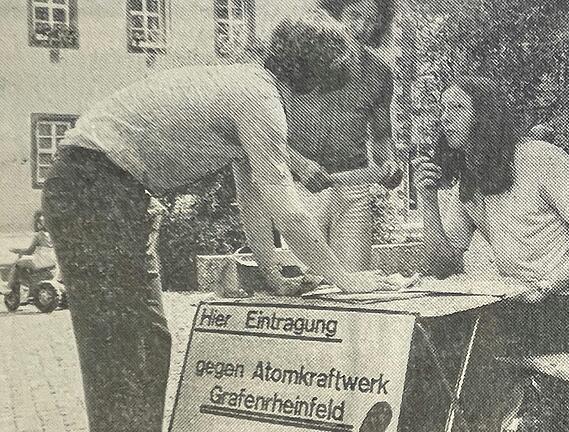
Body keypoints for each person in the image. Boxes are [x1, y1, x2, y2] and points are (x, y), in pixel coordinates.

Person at [42, 11, 390, 432]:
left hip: (107, 189)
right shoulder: (258, 97)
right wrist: (344, 277)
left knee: (146, 344)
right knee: (126, 351)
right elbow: (287, 209)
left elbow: (254, 195)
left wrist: (272, 272)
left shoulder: (245, 85)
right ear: (310, 79)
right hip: (95, 186)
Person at [411, 76, 569, 431]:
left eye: (457, 107)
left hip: (563, 304)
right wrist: (428, 200)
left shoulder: (539, 158)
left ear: (485, 117)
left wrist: (547, 285)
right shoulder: (470, 180)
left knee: (459, 338)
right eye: (442, 109)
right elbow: (442, 264)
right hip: (513, 305)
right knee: (427, 333)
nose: (445, 118)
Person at [282, 0, 399, 272]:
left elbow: (381, 136)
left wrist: (389, 162)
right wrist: (300, 165)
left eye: (371, 21)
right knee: (307, 282)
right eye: (354, 15)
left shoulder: (380, 73)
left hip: (354, 189)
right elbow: (268, 133)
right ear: (335, 13)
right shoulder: (299, 62)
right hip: (302, 187)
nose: (360, 27)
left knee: (355, 282)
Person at [4, 210, 57, 296]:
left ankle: (9, 287)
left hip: (40, 262)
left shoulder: (39, 235)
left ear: (39, 224)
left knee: (17, 264)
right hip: (51, 261)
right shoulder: (52, 235)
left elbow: (29, 251)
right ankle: (29, 288)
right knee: (26, 263)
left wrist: (17, 250)